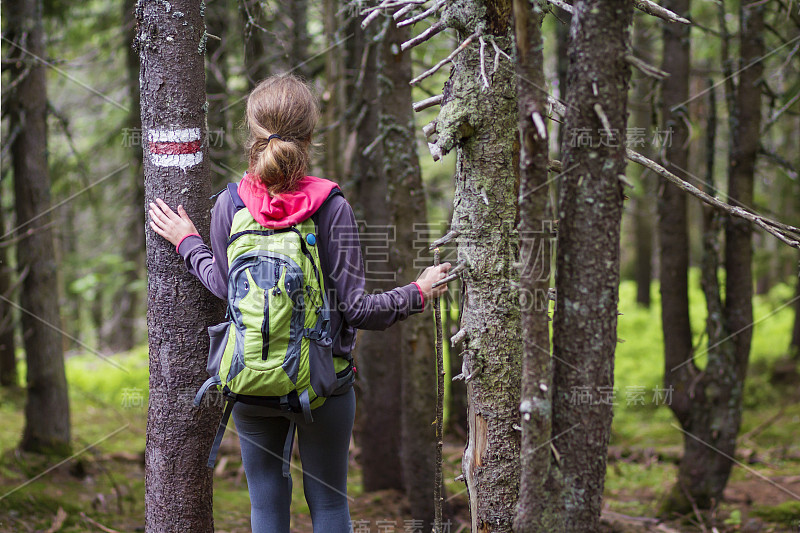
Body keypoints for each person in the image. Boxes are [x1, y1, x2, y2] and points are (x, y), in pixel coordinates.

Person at [148, 74, 451, 533]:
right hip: (323, 383)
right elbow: (358, 311)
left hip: (248, 382)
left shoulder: (232, 203)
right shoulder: (330, 205)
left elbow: (227, 290)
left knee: (266, 505)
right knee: (329, 504)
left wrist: (187, 241)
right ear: (310, 135)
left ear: (253, 132)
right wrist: (418, 292)